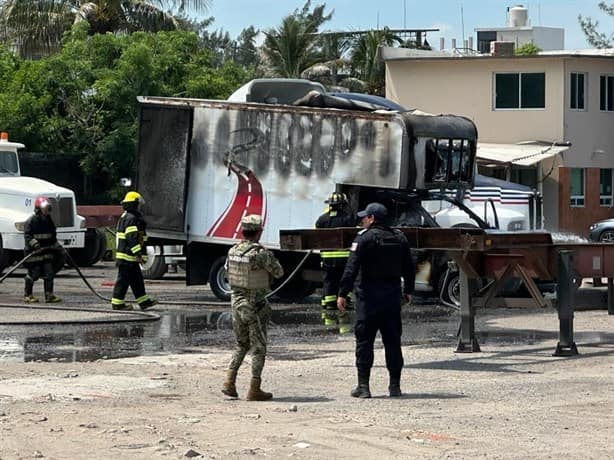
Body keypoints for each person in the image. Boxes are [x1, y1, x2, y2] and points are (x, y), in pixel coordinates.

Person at [337, 202, 415, 398]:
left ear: (372, 218)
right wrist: (409, 291)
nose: (362, 220)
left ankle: (363, 387)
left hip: (367, 300)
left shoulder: (363, 239)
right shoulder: (399, 237)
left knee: (364, 342)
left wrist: (342, 293)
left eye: (365, 217)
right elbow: (409, 266)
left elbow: (351, 268)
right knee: (393, 342)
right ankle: (395, 386)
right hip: (391, 299)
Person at [222, 214, 284, 401]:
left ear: (242, 230)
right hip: (254, 305)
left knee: (241, 344)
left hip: (236, 304)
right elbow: (279, 272)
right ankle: (254, 388)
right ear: (258, 232)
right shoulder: (259, 253)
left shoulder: (233, 251)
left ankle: (229, 382)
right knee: (259, 348)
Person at [315, 192, 356, 333]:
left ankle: (329, 303)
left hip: (327, 257)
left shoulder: (321, 219)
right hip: (344, 257)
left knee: (329, 280)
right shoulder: (348, 218)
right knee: (344, 279)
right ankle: (346, 301)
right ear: (343, 204)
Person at [111, 191, 157, 311]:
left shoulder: (128, 216)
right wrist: (139, 254)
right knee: (123, 281)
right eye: (138, 205)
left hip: (129, 257)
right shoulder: (131, 218)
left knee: (137, 280)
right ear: (134, 204)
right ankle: (117, 303)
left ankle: (143, 301)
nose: (139, 207)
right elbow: (131, 238)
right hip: (127, 257)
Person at [23, 196, 62, 303]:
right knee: (34, 274)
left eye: (48, 208)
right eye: (45, 208)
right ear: (38, 208)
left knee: (49, 273)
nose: (47, 210)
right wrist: (35, 245)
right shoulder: (31, 221)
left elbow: (52, 235)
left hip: (47, 253)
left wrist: (56, 245)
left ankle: (49, 295)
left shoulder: (49, 221)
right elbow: (28, 236)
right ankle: (28, 295)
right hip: (34, 254)